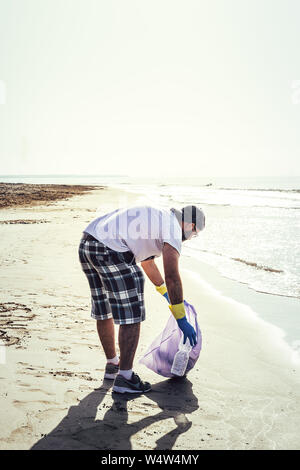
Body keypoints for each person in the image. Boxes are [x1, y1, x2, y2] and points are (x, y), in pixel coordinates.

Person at [78, 204, 205, 394]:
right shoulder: (173, 229)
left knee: (105, 308)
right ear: (190, 225)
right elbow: (172, 275)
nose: (191, 238)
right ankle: (125, 378)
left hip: (88, 244)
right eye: (194, 234)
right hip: (110, 249)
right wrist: (181, 318)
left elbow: (147, 262)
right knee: (132, 314)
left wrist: (164, 292)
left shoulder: (159, 217)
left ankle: (113, 366)